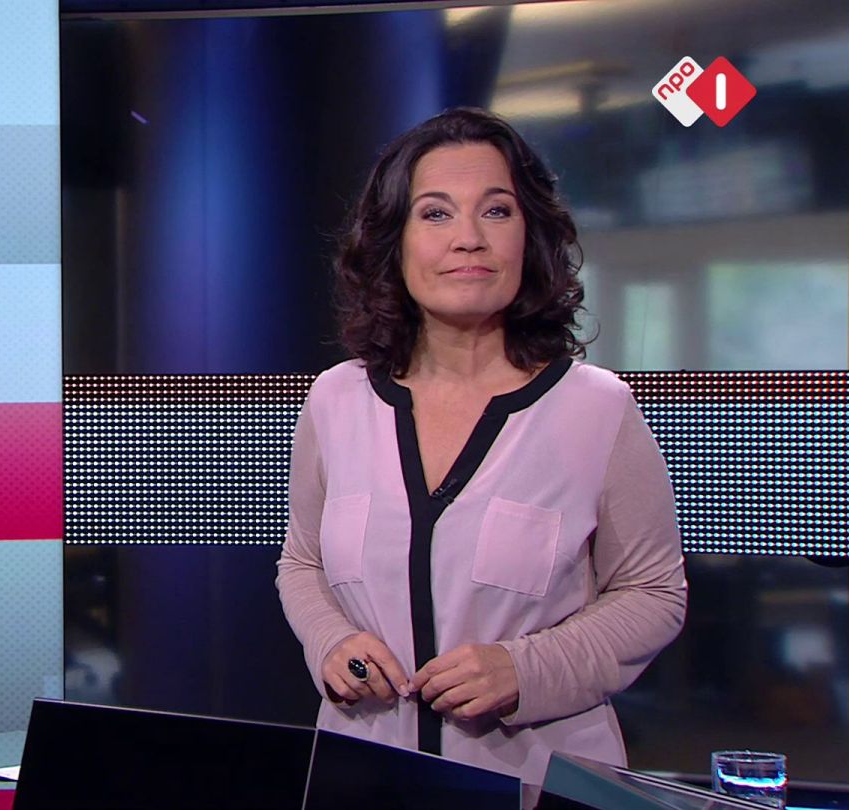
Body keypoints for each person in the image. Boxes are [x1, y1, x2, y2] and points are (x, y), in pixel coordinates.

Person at [275, 107, 687, 789]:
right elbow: (303, 561)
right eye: (435, 214)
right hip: (363, 773)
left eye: (496, 211)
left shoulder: (597, 408)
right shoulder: (335, 399)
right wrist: (331, 640)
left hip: (542, 782)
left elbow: (652, 594)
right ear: (395, 242)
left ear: (530, 236)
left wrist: (525, 669)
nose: (468, 238)